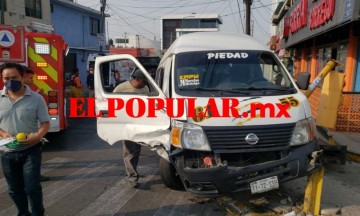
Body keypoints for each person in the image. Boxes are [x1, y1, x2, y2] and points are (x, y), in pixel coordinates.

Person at [0, 62, 50, 216]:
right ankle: (23, 213)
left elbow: (45, 123)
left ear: (22, 77)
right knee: (14, 190)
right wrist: (3, 134)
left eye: (14, 77)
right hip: (7, 152)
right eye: (6, 78)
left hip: (31, 150)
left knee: (32, 188)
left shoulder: (36, 98)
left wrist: (37, 136)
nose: (10, 81)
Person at [113, 69, 149, 188]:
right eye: (144, 81)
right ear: (137, 79)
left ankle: (133, 172)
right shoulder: (121, 88)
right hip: (126, 124)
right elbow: (111, 103)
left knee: (136, 150)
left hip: (139, 124)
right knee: (129, 151)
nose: (145, 83)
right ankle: (132, 177)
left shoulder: (145, 89)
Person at [23, 67, 51, 182]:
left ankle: (34, 175)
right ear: (22, 77)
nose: (32, 81)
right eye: (30, 78)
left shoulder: (30, 93)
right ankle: (34, 176)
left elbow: (46, 122)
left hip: (32, 134)